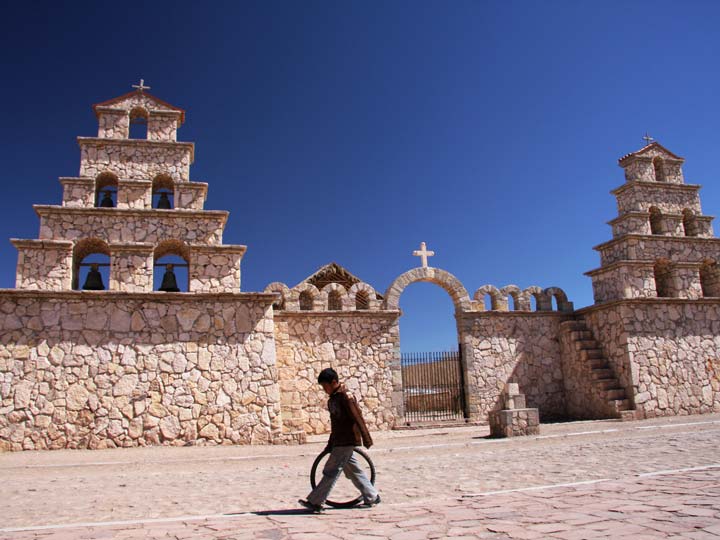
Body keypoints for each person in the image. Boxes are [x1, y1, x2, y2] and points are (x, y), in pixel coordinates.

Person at [299, 368, 380, 513]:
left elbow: (357, 416)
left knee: (331, 471)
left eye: (325, 386)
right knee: (353, 471)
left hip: (346, 440)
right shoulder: (334, 399)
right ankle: (372, 495)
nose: (324, 390)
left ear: (334, 382)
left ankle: (316, 501)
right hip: (339, 441)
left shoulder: (345, 396)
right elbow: (335, 425)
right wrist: (330, 444)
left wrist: (366, 438)